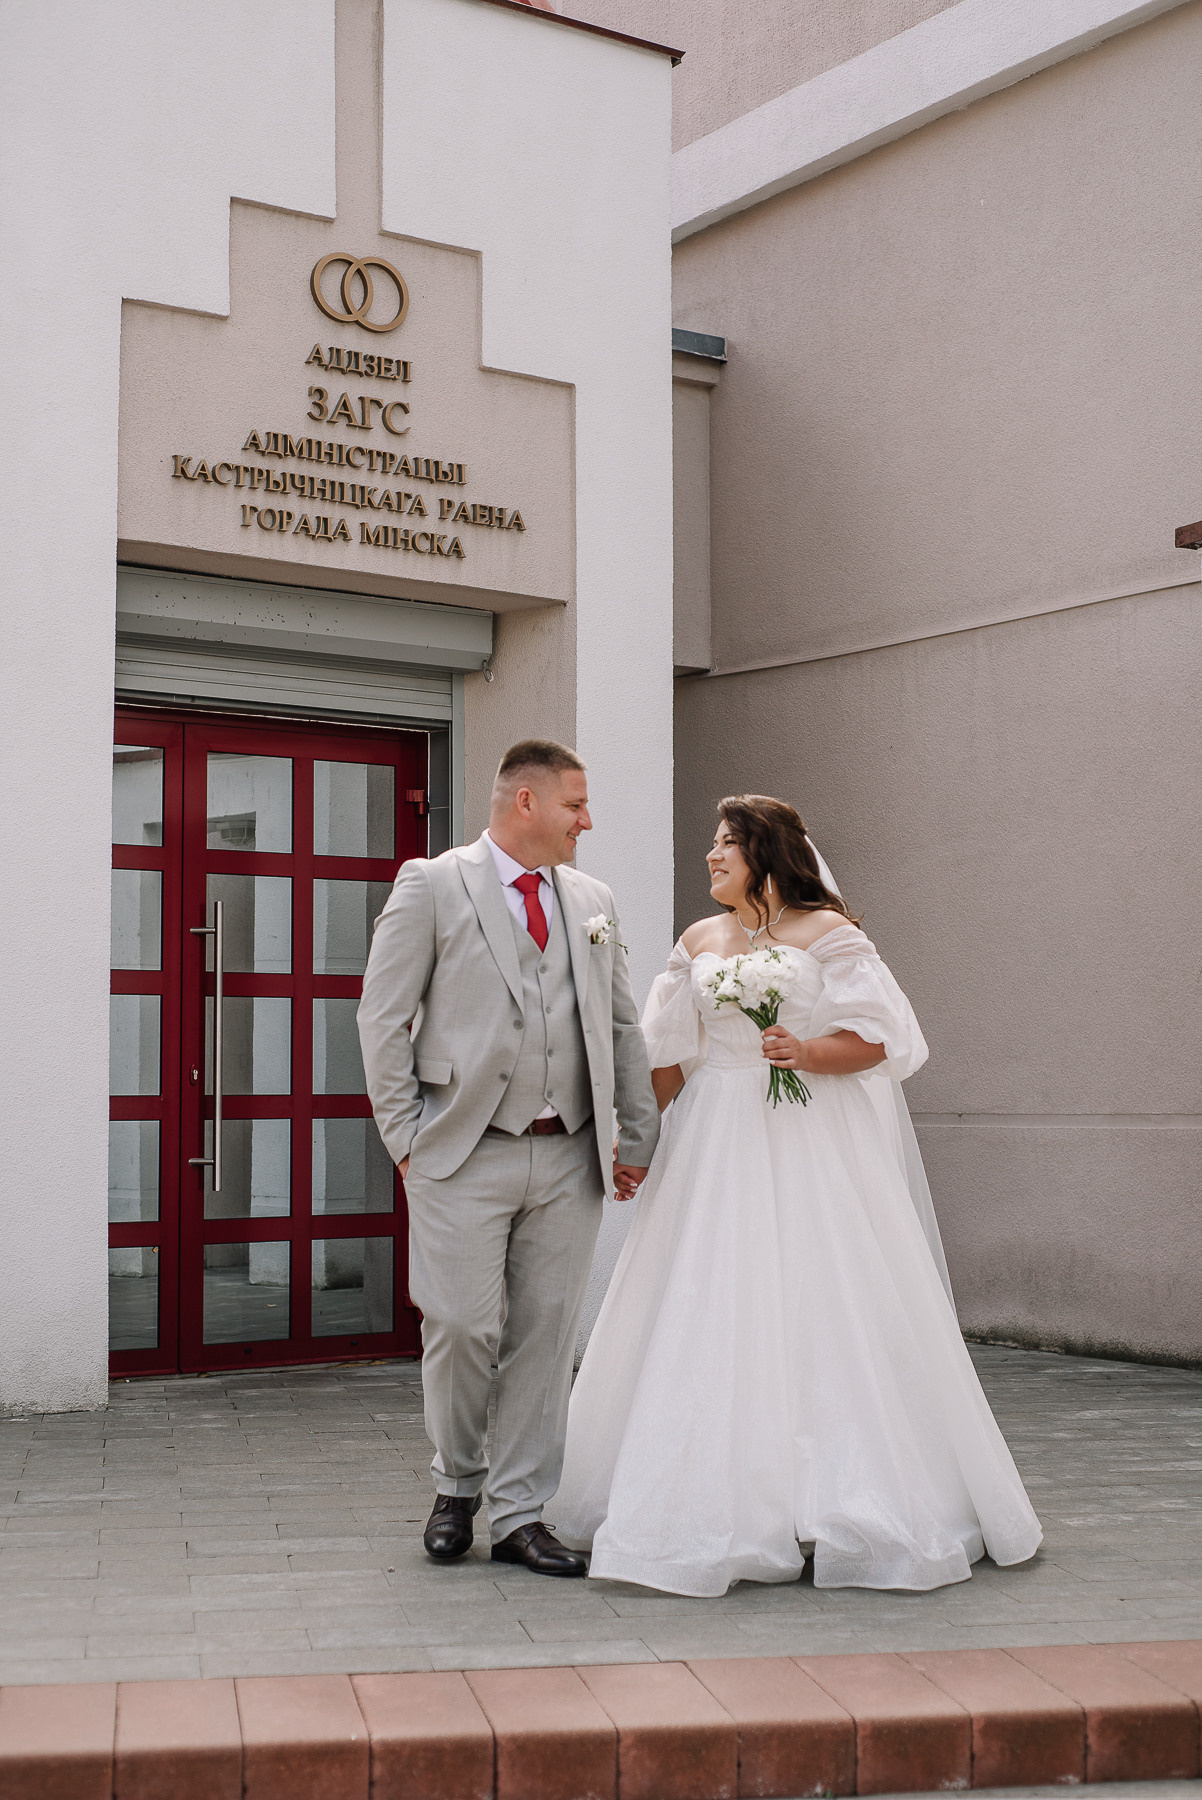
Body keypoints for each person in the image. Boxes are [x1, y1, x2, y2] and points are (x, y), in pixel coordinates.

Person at [552, 794, 1042, 1596]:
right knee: (711, 1303)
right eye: (712, 846)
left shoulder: (832, 934)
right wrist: (633, 1143)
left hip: (812, 1141)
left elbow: (884, 1039)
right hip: (716, 1143)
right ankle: (715, 1500)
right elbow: (669, 1057)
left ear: (766, 855)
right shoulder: (698, 941)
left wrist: (806, 1047)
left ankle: (842, 1500)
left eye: (725, 845)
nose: (710, 858)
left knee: (825, 1304)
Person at [358, 740, 659, 1576]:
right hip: (462, 1150)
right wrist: (404, 1138)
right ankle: (457, 1483)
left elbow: (621, 1024)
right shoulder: (432, 883)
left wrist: (632, 1135)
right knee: (460, 1326)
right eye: (576, 805)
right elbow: (380, 1019)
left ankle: (522, 1513)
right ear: (524, 803)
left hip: (567, 1155)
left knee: (544, 1337)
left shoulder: (592, 898)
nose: (587, 822)